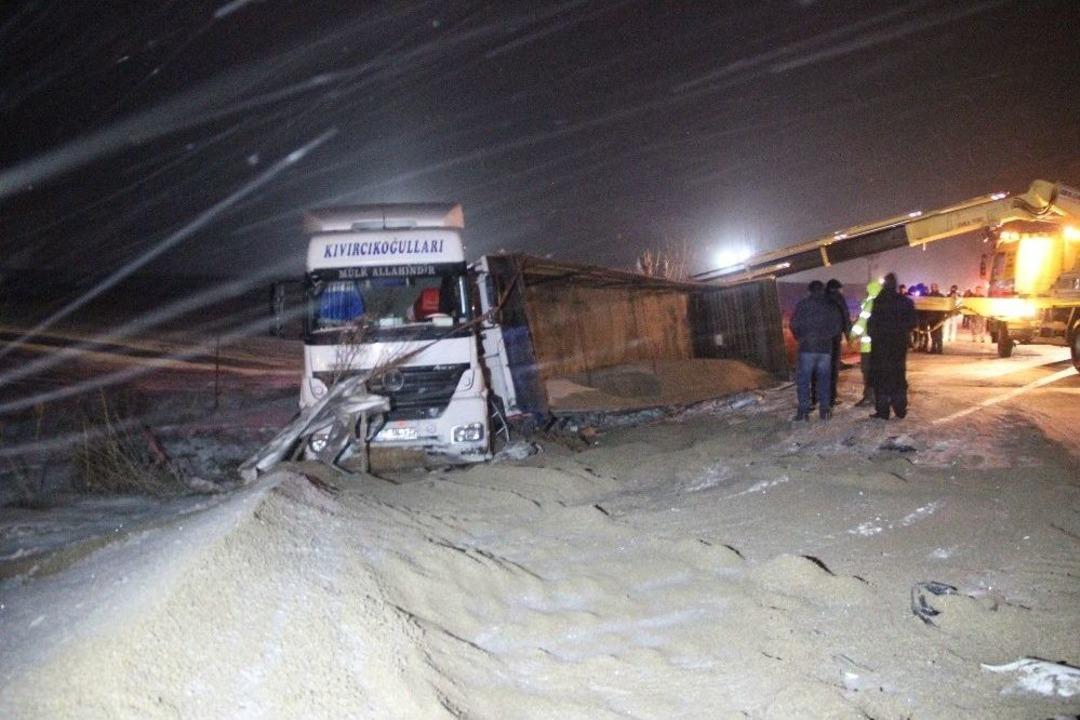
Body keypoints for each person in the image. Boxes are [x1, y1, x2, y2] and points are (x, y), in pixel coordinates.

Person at [790, 280, 844, 421]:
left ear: (809, 291)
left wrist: (801, 337)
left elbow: (794, 324)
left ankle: (803, 412)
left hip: (806, 348)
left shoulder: (802, 304)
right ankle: (825, 411)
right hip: (825, 349)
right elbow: (837, 326)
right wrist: (827, 337)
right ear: (823, 290)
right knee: (824, 381)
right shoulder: (831, 305)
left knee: (803, 381)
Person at [868, 273, 917, 420]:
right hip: (898, 346)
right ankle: (900, 409)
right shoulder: (906, 301)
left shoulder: (878, 301)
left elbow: (871, 324)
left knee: (881, 377)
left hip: (880, 346)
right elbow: (913, 323)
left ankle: (883, 411)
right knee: (898, 376)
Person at [850, 278, 883, 407]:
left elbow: (861, 323)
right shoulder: (885, 304)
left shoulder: (870, 303)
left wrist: (852, 335)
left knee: (867, 372)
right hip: (881, 346)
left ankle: (869, 397)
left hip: (868, 347)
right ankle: (880, 396)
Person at [825, 278, 852, 406]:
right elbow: (845, 316)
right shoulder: (839, 298)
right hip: (834, 337)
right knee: (833, 368)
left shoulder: (821, 298)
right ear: (837, 288)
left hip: (820, 339)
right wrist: (849, 336)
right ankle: (831, 397)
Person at [926, 283, 945, 354]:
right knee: (933, 334)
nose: (932, 288)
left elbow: (944, 307)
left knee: (939, 334)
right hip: (931, 318)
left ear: (937, 288)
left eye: (934, 287)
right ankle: (933, 348)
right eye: (932, 287)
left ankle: (939, 349)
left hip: (939, 318)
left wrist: (942, 317)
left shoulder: (941, 296)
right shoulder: (929, 296)